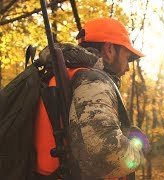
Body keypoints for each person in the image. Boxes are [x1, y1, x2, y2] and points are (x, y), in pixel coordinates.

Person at [34, 18, 149, 179]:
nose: (128, 67)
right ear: (109, 49)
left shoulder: (64, 75)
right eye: (127, 57)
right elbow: (106, 155)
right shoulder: (92, 81)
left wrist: (124, 133)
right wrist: (137, 151)